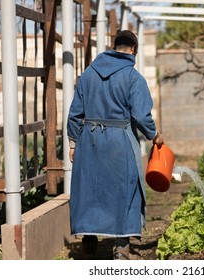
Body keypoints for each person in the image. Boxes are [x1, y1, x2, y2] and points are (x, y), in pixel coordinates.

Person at [67, 30, 164, 260]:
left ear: (114, 47)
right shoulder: (132, 77)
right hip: (120, 140)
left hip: (89, 141)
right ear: (133, 50)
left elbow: (74, 115)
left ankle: (88, 244)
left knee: (89, 190)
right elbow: (141, 115)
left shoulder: (88, 74)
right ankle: (121, 247)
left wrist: (73, 143)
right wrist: (154, 135)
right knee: (125, 190)